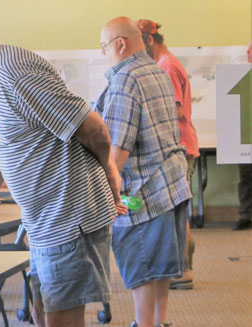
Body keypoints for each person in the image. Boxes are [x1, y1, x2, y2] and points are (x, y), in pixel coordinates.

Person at [0, 17, 125, 327]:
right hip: (48, 220)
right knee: (44, 312)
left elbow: (91, 126)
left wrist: (112, 177)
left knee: (62, 317)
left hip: (66, 218)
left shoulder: (13, 72)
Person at [95, 17, 192, 327]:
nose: (102, 54)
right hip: (169, 184)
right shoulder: (156, 69)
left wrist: (104, 195)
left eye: (104, 46)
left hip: (142, 192)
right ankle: (158, 322)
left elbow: (117, 149)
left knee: (142, 267)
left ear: (120, 44)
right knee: (160, 269)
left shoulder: (125, 78)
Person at [137, 19, 197, 290]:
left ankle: (182, 270)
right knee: (176, 209)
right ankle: (180, 266)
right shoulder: (166, 64)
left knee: (177, 210)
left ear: (150, 40)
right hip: (179, 146)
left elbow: (177, 111)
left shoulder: (167, 67)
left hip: (179, 147)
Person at [232, 41, 252, 231]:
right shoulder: (242, 77)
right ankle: (246, 215)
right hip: (246, 136)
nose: (248, 52)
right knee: (246, 178)